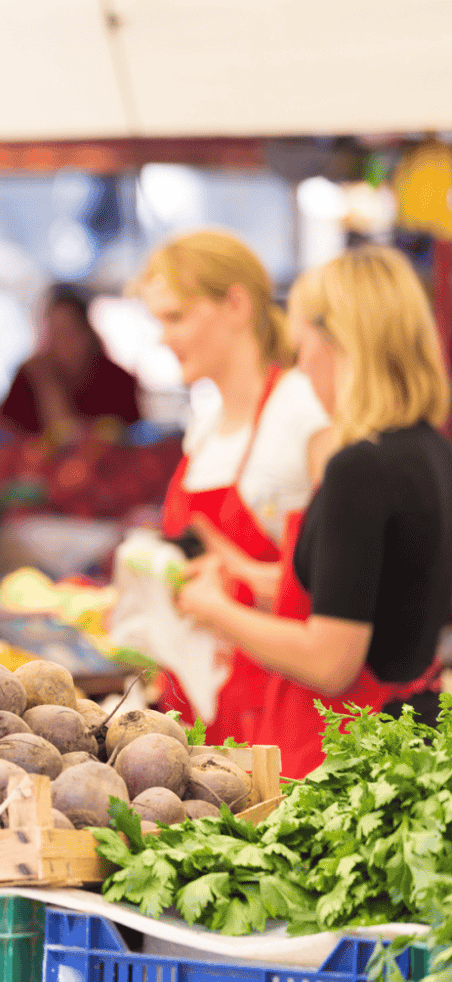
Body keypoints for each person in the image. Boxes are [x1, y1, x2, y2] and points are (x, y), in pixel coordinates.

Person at [179, 244, 452, 778]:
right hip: (412, 741)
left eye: (303, 347)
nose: (301, 368)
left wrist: (215, 612)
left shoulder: (360, 468)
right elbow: (375, 592)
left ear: (343, 343)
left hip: (349, 756)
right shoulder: (432, 452)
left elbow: (330, 661)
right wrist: (246, 574)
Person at [138, 230, 332, 743]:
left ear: (236, 306)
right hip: (203, 701)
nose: (163, 338)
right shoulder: (203, 429)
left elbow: (339, 587)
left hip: (280, 710)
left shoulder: (304, 410)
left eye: (176, 317)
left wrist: (234, 581)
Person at [0, 284, 141, 445]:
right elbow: (5, 432)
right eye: (54, 332)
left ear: (88, 332)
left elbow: (130, 438)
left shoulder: (117, 379)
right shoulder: (28, 375)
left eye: (69, 330)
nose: (62, 340)